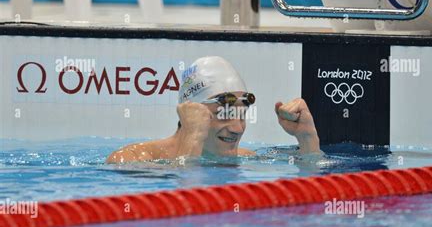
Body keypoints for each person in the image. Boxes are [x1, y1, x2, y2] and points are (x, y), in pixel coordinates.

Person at [106, 56, 319, 164]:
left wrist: (308, 139)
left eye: (241, 115)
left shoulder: (246, 158)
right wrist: (193, 137)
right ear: (190, 112)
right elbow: (182, 210)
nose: (237, 128)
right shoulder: (133, 159)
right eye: (223, 114)